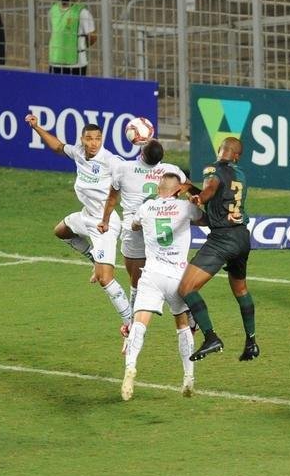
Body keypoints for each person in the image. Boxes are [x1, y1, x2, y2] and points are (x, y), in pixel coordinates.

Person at [24, 114, 132, 334]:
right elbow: (57, 147)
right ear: (82, 139)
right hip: (86, 216)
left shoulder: (112, 161)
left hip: (105, 224)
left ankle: (130, 320)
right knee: (61, 231)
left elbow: (129, 177)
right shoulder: (79, 153)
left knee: (105, 279)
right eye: (89, 138)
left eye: (98, 138)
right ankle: (94, 257)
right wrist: (37, 127)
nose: (94, 143)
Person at [120, 172, 203, 400]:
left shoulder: (147, 208)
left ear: (158, 190)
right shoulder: (185, 207)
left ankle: (130, 366)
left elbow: (135, 225)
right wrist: (194, 199)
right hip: (177, 277)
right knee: (183, 326)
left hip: (152, 275)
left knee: (140, 324)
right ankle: (188, 377)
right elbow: (205, 220)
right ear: (178, 190)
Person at [179, 136, 257, 362]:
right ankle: (251, 342)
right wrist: (191, 190)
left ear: (220, 151)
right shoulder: (241, 175)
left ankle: (211, 337)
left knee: (186, 288)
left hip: (222, 239)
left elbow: (212, 187)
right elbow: (221, 197)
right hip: (242, 237)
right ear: (237, 156)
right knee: (241, 289)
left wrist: (199, 197)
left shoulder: (211, 169)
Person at [98, 139, 187, 320]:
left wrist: (105, 221)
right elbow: (187, 187)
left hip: (135, 230)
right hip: (161, 229)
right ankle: (188, 317)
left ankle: (132, 322)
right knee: (171, 279)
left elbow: (112, 199)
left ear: (142, 154)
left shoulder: (123, 168)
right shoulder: (172, 171)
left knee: (136, 283)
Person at [47, 0, 95, 75]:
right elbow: (53, 33)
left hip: (76, 65)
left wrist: (79, 46)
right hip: (55, 62)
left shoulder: (82, 12)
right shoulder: (53, 11)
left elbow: (92, 36)